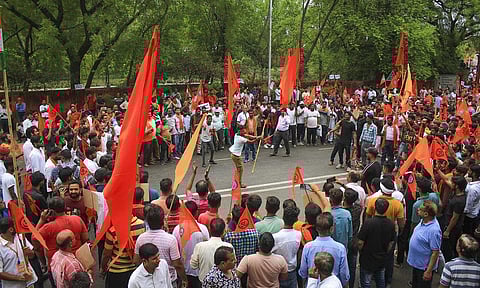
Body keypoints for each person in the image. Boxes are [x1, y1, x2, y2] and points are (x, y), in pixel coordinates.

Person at [134, 204, 187, 287]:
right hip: (169, 279)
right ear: (162, 220)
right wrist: (184, 279)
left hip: (148, 280)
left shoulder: (141, 238)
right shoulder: (170, 239)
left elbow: (136, 261)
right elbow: (177, 264)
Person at [33, 197, 89, 275]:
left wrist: (41, 220)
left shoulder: (48, 227)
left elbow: (34, 238)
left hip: (57, 266)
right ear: (64, 207)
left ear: (51, 211)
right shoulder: (77, 219)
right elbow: (86, 239)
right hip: (77, 262)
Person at [101, 196, 145, 288]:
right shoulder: (141, 224)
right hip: (135, 270)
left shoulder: (113, 230)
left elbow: (106, 253)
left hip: (117, 272)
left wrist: (103, 268)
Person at [299, 212, 349, 287]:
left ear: (316, 228)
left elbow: (303, 272)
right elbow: (344, 275)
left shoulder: (307, 247)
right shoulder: (340, 248)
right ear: (332, 228)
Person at [358, 198, 396, 288]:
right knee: (380, 280)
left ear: (374, 208)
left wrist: (361, 251)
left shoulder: (368, 223)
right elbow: (391, 243)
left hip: (367, 258)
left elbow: (360, 242)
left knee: (366, 282)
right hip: (382, 258)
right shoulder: (391, 224)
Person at [172, 201, 209, 288]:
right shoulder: (203, 229)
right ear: (196, 212)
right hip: (198, 271)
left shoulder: (177, 229)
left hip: (183, 272)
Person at [407, 200, 442, 288]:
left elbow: (435, 252)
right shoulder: (423, 221)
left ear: (426, 214)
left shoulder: (434, 230)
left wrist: (428, 271)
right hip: (417, 264)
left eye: (421, 209)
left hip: (424, 268)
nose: (418, 209)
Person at [191, 218, 233, 282]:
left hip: (204, 282)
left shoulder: (199, 246)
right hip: (223, 283)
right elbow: (232, 266)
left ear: (210, 230)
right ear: (223, 231)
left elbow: (193, 266)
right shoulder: (229, 247)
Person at [0, 217, 37, 288]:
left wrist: (30, 253)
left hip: (30, 282)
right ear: (11, 229)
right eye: (15, 225)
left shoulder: (20, 236)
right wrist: (20, 278)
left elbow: (32, 255)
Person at [272, 206, 301, 288]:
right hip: (292, 272)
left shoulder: (276, 237)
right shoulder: (298, 234)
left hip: (279, 272)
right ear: (296, 220)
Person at [442, 176, 467, 262]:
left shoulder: (459, 201)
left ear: (456, 186)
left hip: (452, 228)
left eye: (453, 183)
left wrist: (447, 230)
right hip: (449, 224)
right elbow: (448, 181)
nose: (451, 184)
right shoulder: (458, 194)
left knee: (447, 248)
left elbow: (455, 218)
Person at [464, 164, 480, 236]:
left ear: (474, 173)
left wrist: (464, 212)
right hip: (475, 212)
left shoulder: (473, 189)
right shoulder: (476, 184)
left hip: (469, 216)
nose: (468, 172)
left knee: (467, 233)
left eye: (470, 171)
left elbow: (469, 204)